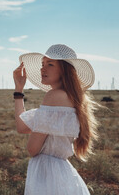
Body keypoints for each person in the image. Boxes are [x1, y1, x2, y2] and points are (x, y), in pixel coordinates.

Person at [13, 44, 99, 195]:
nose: (43, 68)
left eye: (50, 64)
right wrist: (18, 91)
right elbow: (21, 127)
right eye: (42, 64)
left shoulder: (54, 97)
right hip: (60, 173)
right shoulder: (70, 98)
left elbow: (32, 149)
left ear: (64, 70)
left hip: (49, 175)